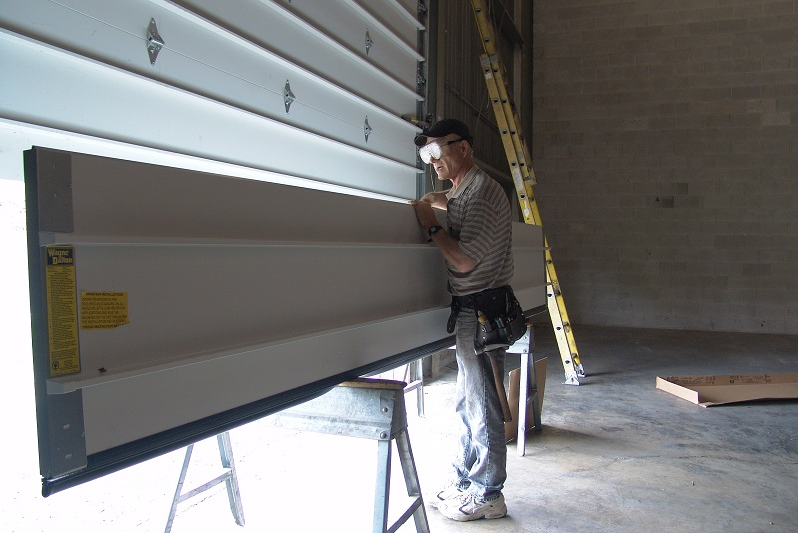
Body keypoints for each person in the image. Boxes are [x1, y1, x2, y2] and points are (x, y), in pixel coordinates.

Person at [410, 118, 513, 521]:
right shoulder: (464, 189)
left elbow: (465, 260)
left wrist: (429, 224)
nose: (432, 159)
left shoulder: (484, 192)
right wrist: (434, 201)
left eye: (438, 151)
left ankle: (490, 493)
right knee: (467, 402)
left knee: (483, 403)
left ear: (463, 149)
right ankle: (465, 479)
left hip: (484, 310)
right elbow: (453, 199)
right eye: (426, 154)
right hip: (472, 311)